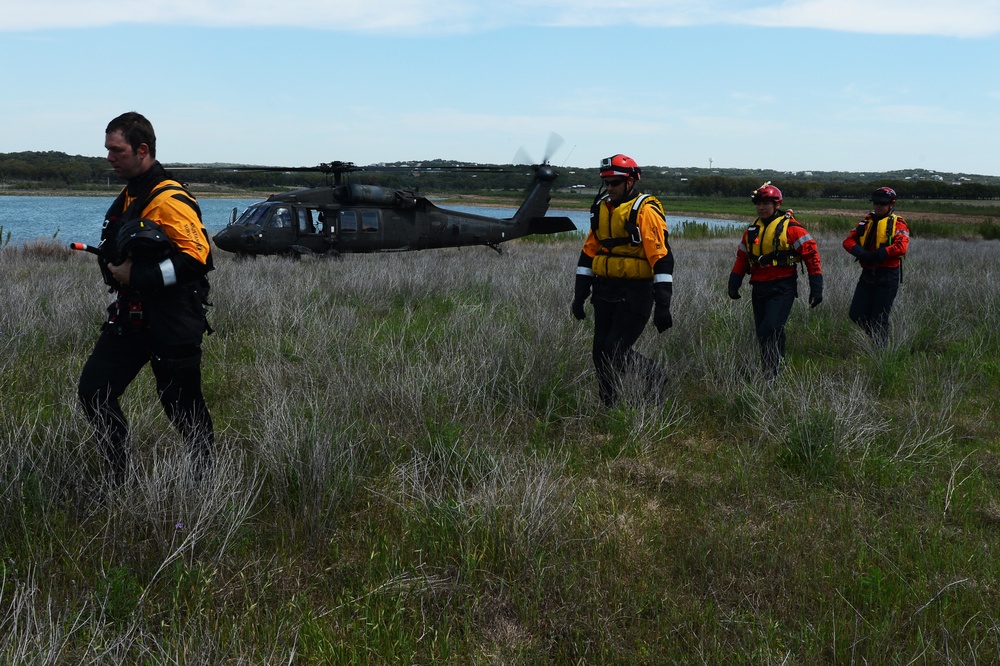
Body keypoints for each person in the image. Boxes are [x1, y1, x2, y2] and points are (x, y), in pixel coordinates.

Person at [78, 112, 215, 485]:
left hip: (173, 320)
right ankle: (118, 475)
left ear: (142, 150)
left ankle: (205, 481)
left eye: (116, 150)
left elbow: (199, 259)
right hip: (130, 317)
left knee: (182, 406)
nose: (109, 157)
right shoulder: (130, 194)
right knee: (94, 391)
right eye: (107, 149)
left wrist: (136, 275)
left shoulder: (168, 199)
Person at [571, 154, 673, 406]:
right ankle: (609, 406)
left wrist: (663, 306)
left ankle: (656, 375)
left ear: (629, 182)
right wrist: (579, 296)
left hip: (635, 292)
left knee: (615, 351)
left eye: (614, 183)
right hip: (605, 290)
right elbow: (587, 255)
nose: (609, 188)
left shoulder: (645, 212)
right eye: (606, 182)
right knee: (599, 354)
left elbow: (662, 259)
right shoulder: (601, 209)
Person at [727, 182, 823, 378]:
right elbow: (742, 258)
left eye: (766, 204)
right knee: (765, 332)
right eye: (759, 204)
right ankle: (771, 370)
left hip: (782, 287)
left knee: (769, 328)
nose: (761, 207)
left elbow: (811, 255)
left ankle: (774, 369)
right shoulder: (752, 230)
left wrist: (817, 287)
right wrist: (734, 282)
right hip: (759, 287)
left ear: (776, 205)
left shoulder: (793, 229)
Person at [842, 186, 910, 346]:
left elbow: (902, 247)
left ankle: (880, 349)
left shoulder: (899, 224)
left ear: (891, 205)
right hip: (867, 274)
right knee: (856, 314)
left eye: (882, 204)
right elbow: (848, 241)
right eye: (876, 203)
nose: (878, 206)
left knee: (880, 316)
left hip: (888, 276)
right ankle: (876, 336)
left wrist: (880, 253)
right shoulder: (866, 222)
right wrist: (860, 252)